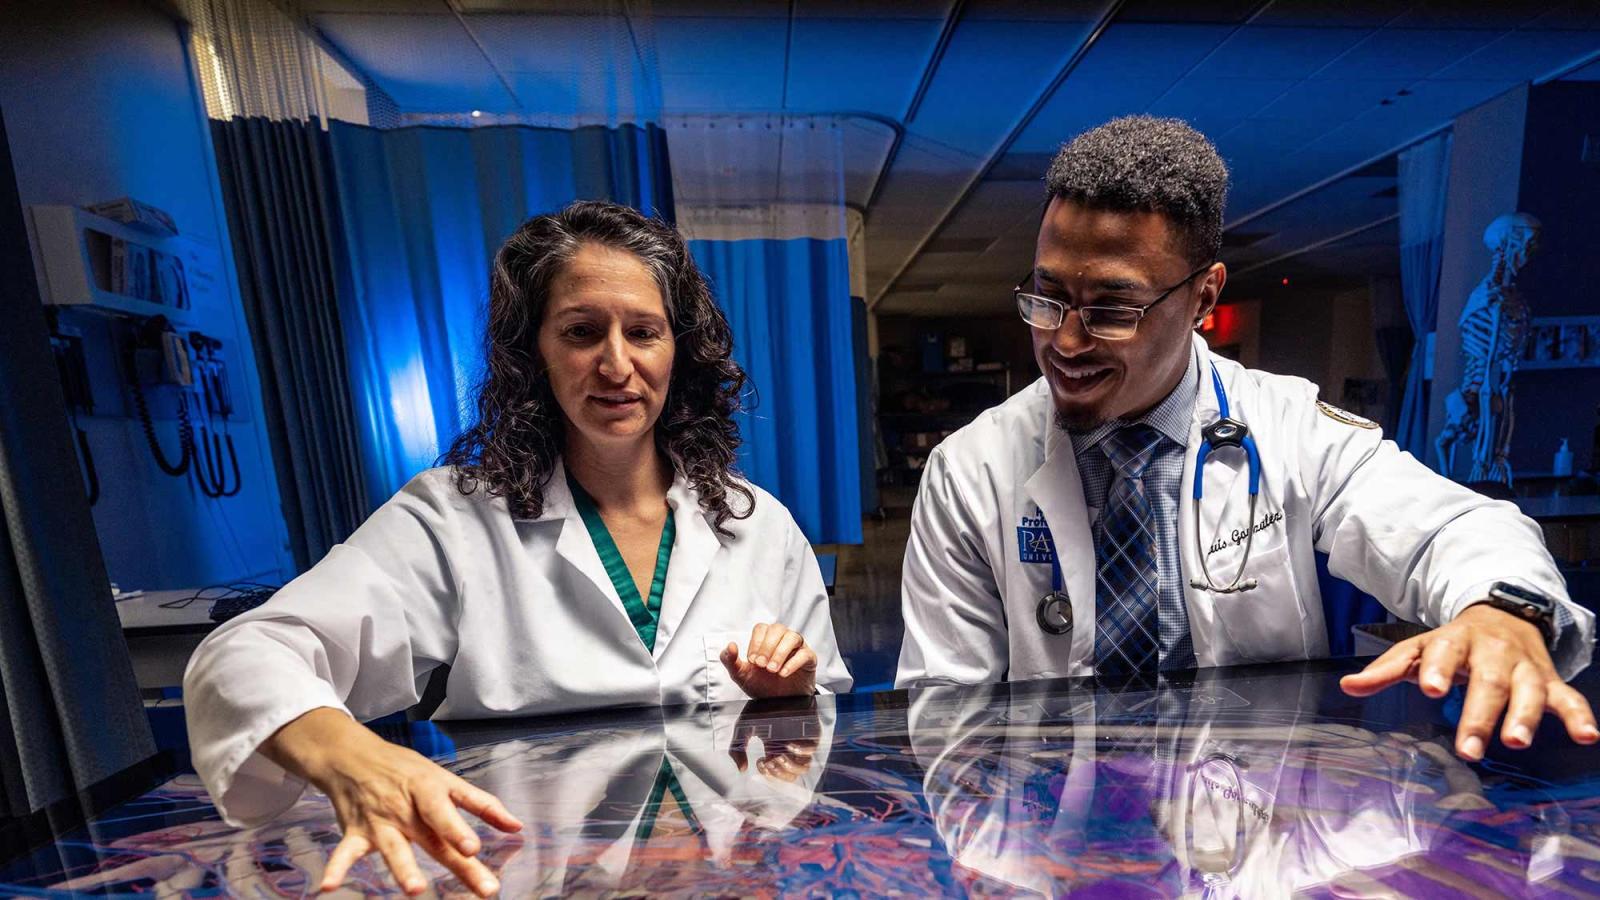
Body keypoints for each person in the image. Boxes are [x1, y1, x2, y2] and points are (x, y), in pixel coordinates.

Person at [185, 200, 852, 897]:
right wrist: (351, 754)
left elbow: (826, 732)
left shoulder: (759, 525)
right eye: (582, 331)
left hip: (716, 875)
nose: (617, 364)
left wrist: (788, 698)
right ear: (533, 350)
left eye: (644, 332)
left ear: (677, 350)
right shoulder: (455, 517)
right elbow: (246, 653)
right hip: (517, 867)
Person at [896, 116, 1596, 760]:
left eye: (1113, 308)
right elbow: (948, 722)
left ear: (1204, 297)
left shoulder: (1289, 427)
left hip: (1254, 825)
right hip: (1050, 832)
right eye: (1046, 297)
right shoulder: (970, 470)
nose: (1065, 341)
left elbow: (1453, 528)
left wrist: (1504, 611)